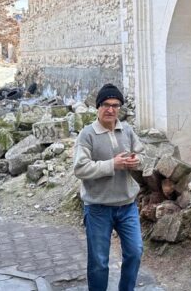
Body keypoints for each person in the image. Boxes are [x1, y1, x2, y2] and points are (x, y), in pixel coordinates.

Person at [73, 83, 144, 291]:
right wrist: (113, 164)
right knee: (99, 262)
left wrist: (137, 161)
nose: (111, 109)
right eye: (106, 104)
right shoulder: (87, 135)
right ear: (98, 107)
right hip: (98, 208)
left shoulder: (127, 130)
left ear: (120, 107)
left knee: (135, 251)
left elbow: (143, 154)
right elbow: (80, 168)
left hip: (127, 205)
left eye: (115, 105)